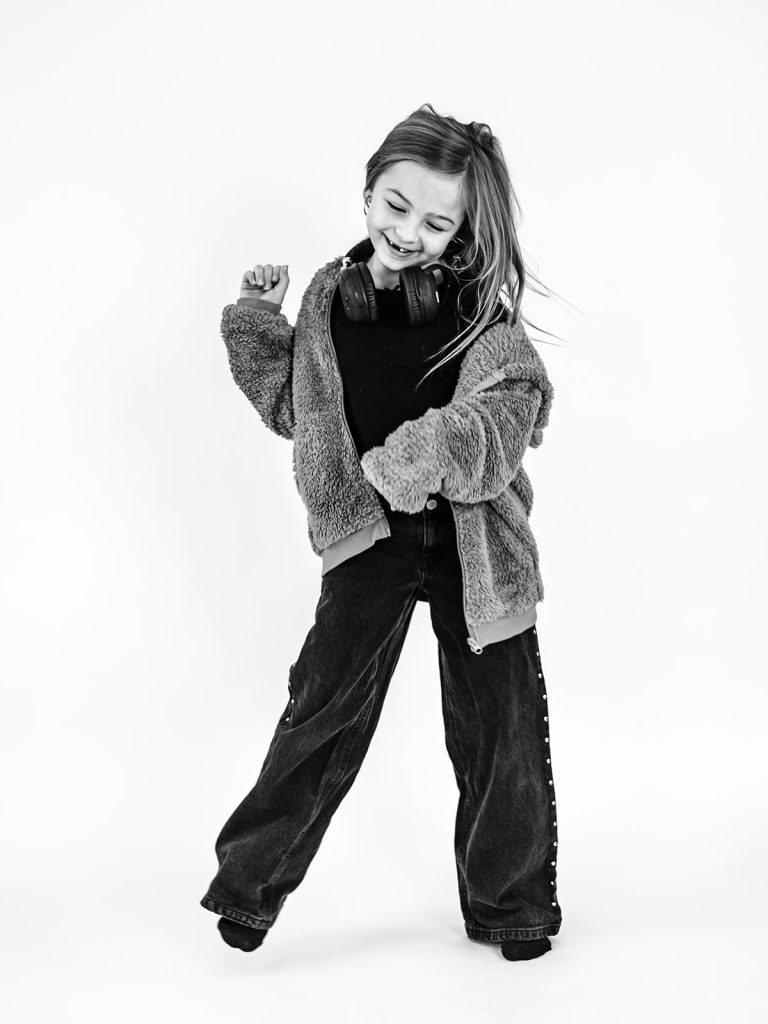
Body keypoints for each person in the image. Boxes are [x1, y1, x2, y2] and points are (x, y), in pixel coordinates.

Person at [200, 103, 561, 962]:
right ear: (367, 194)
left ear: (464, 234)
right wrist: (256, 322)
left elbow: (506, 421)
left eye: (438, 223)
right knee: (320, 713)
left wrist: (411, 459)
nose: (409, 231)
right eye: (395, 207)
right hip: (369, 538)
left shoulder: (484, 318)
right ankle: (248, 894)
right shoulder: (331, 303)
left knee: (500, 728)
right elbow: (301, 411)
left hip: (479, 551)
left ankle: (512, 909)